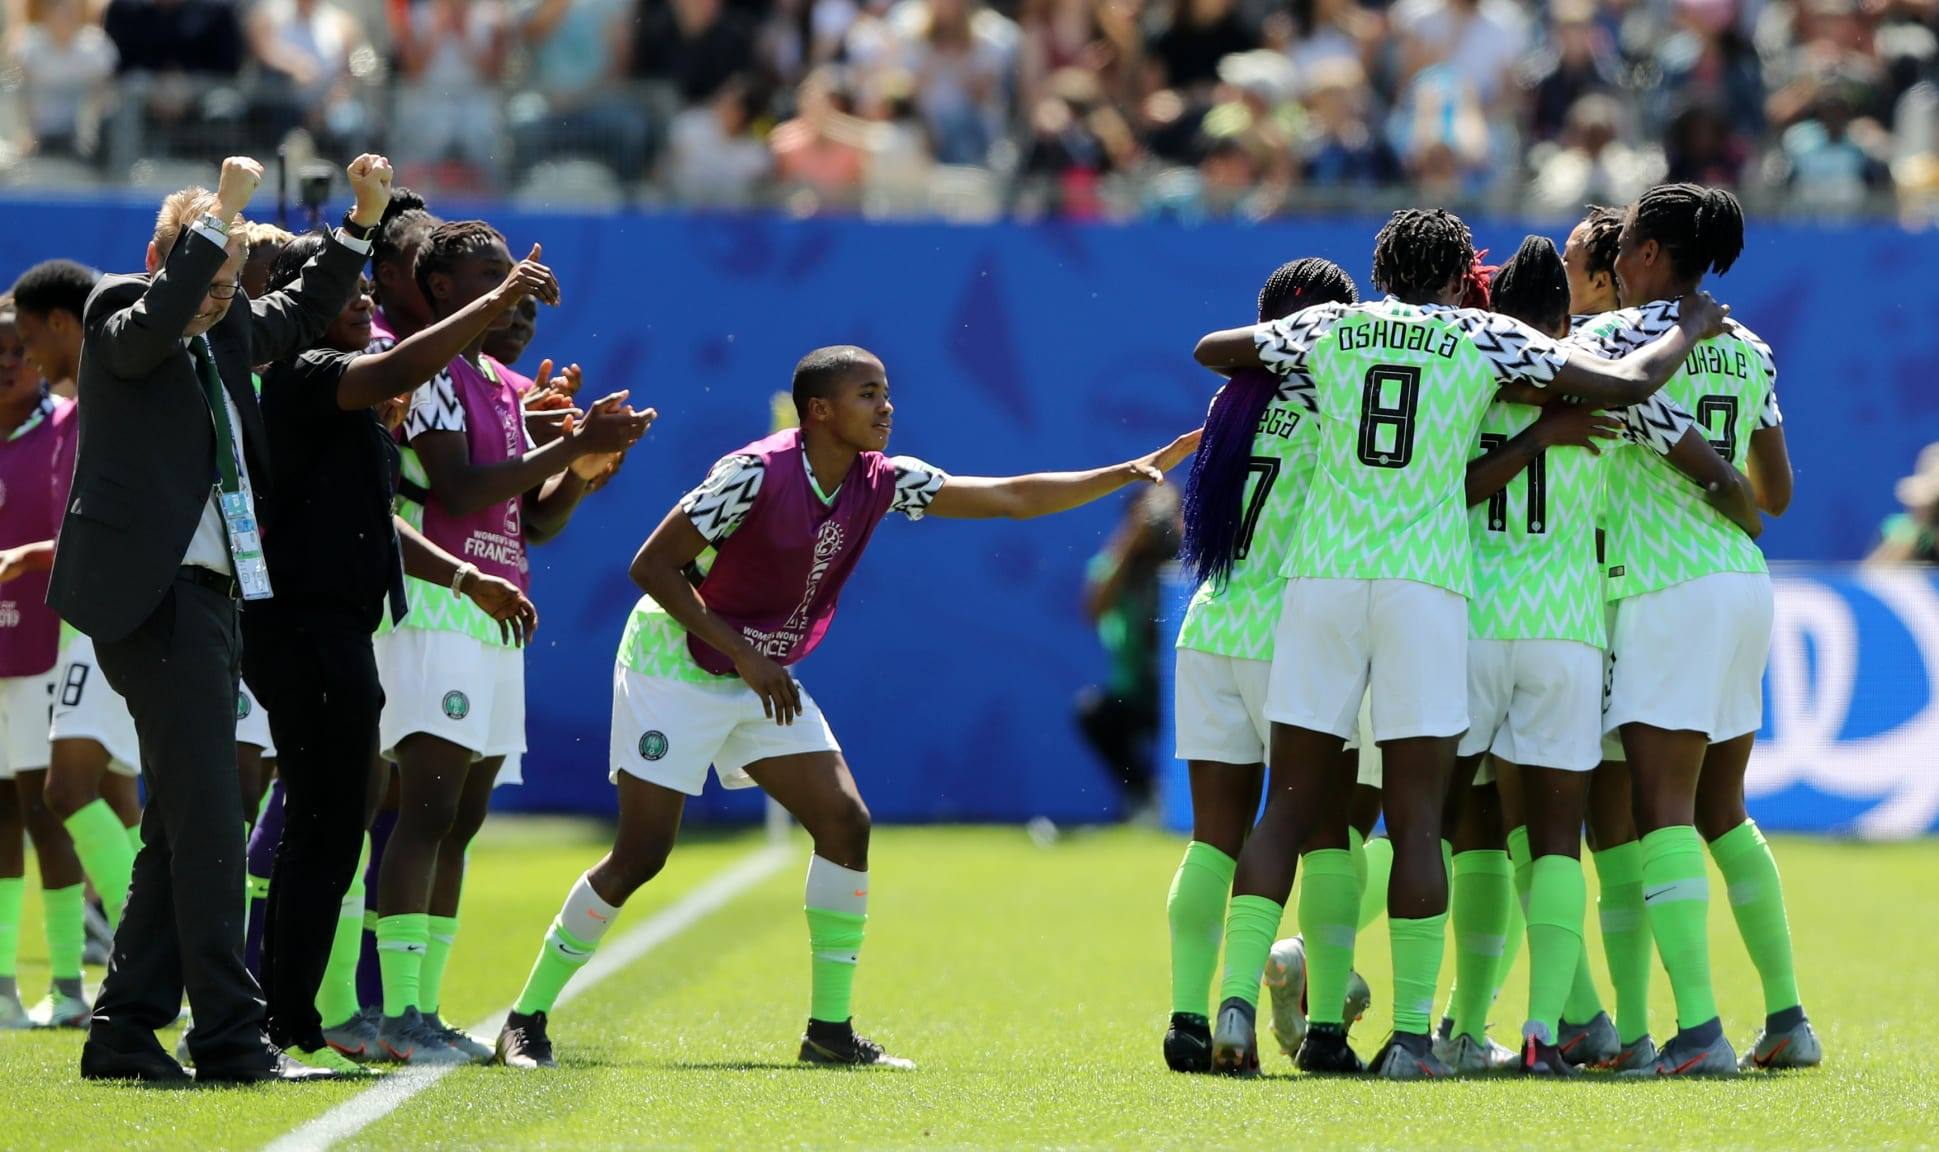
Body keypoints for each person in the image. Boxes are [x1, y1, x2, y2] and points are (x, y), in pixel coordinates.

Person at [494, 345, 1198, 1070]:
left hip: (754, 669)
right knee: (642, 854)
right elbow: (651, 565)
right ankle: (525, 1019)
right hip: (676, 661)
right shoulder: (751, 473)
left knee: (843, 821)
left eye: (887, 392)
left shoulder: (881, 478)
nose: (886, 407)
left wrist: (1125, 471)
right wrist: (741, 652)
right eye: (868, 394)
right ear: (819, 411)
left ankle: (828, 1032)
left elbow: (1012, 498)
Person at [1189, 207, 1734, 1079]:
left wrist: (1291, 355)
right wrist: (1690, 329)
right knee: (1416, 819)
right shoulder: (1483, 336)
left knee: (1286, 806)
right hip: (1427, 591)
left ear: (1382, 267)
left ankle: (1231, 1004)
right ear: (1454, 279)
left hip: (1323, 585)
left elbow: (1215, 351)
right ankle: (1412, 1036)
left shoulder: (1334, 325)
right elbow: (1626, 385)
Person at [56, 153, 386, 1085]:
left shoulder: (223, 324)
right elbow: (156, 321)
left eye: (234, 280)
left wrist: (360, 222)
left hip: (211, 596)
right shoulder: (122, 308)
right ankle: (232, 1041)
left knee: (188, 819)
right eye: (210, 274)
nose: (221, 297)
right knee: (207, 818)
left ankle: (123, 1031)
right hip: (150, 597)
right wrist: (223, 218)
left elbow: (302, 310)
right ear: (168, 252)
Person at [241, 229, 550, 1073]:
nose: (367, 304)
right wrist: (494, 302)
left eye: (366, 294)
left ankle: (306, 1021)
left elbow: (378, 525)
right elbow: (398, 390)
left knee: (341, 823)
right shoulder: (304, 377)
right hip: (305, 627)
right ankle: (276, 1019)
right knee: (325, 823)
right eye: (349, 294)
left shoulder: (358, 404)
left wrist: (463, 577)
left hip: (346, 624)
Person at [1459, 234, 1752, 1075]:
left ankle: (1418, 1017)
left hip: (1470, 619)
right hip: (1572, 624)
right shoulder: (1601, 379)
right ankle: (1556, 1032)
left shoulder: (1471, 379)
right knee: (1566, 841)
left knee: (1436, 828)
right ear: (1568, 301)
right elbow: (1714, 467)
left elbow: (1444, 488)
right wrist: (1737, 500)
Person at [371, 220, 650, 1065]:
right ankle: (397, 1016)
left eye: (525, 284)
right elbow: (454, 490)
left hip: (498, 615)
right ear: (445, 290)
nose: (522, 297)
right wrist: (570, 441)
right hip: (433, 607)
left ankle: (427, 1008)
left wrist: (582, 471)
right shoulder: (429, 370)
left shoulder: (504, 385)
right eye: (497, 279)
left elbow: (531, 519)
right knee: (422, 811)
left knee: (461, 818)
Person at [1571, 183, 1816, 1076]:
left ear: (1643, 254)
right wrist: (1732, 497)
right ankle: (1786, 1017)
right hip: (1742, 587)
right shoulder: (1748, 348)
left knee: (1659, 809)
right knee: (1723, 809)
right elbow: (1777, 497)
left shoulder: (1606, 341)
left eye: (1626, 240)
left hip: (1660, 587)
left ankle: (1699, 1032)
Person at [1165, 257, 1367, 1074]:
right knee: (1322, 835)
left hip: (1211, 625)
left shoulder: (1228, 401)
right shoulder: (1335, 400)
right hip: (1297, 636)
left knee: (1213, 835)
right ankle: (1315, 1029)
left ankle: (1185, 1018)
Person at [5, 260, 146, 955]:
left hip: (112, 617)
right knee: (116, 798)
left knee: (66, 790)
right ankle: (153, 949)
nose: (24, 355)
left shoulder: (104, 401)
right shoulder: (78, 408)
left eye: (27, 339)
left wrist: (33, 558)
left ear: (63, 324)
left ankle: (152, 945)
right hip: (94, 621)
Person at [1561, 201, 1658, 1069]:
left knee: (1501, 827)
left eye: (1573, 263)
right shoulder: (1624, 349)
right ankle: (1625, 1028)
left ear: (1603, 275)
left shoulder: (1582, 352)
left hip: (1570, 609)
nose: (1563, 278)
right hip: (1614, 605)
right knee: (1609, 831)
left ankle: (1598, 1020)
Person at [0, 294, 86, 1030]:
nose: (7, 364)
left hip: (44, 648)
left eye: (16, 351)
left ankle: (66, 986)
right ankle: (2, 986)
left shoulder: (69, 425)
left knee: (46, 810)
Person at [1073, 484, 1177, 818]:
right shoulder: (1120, 561)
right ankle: (1145, 796)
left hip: (1188, 688)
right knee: (1095, 714)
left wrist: (1185, 534)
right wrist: (1131, 540)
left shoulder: (1191, 554)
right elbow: (1094, 608)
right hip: (1138, 692)